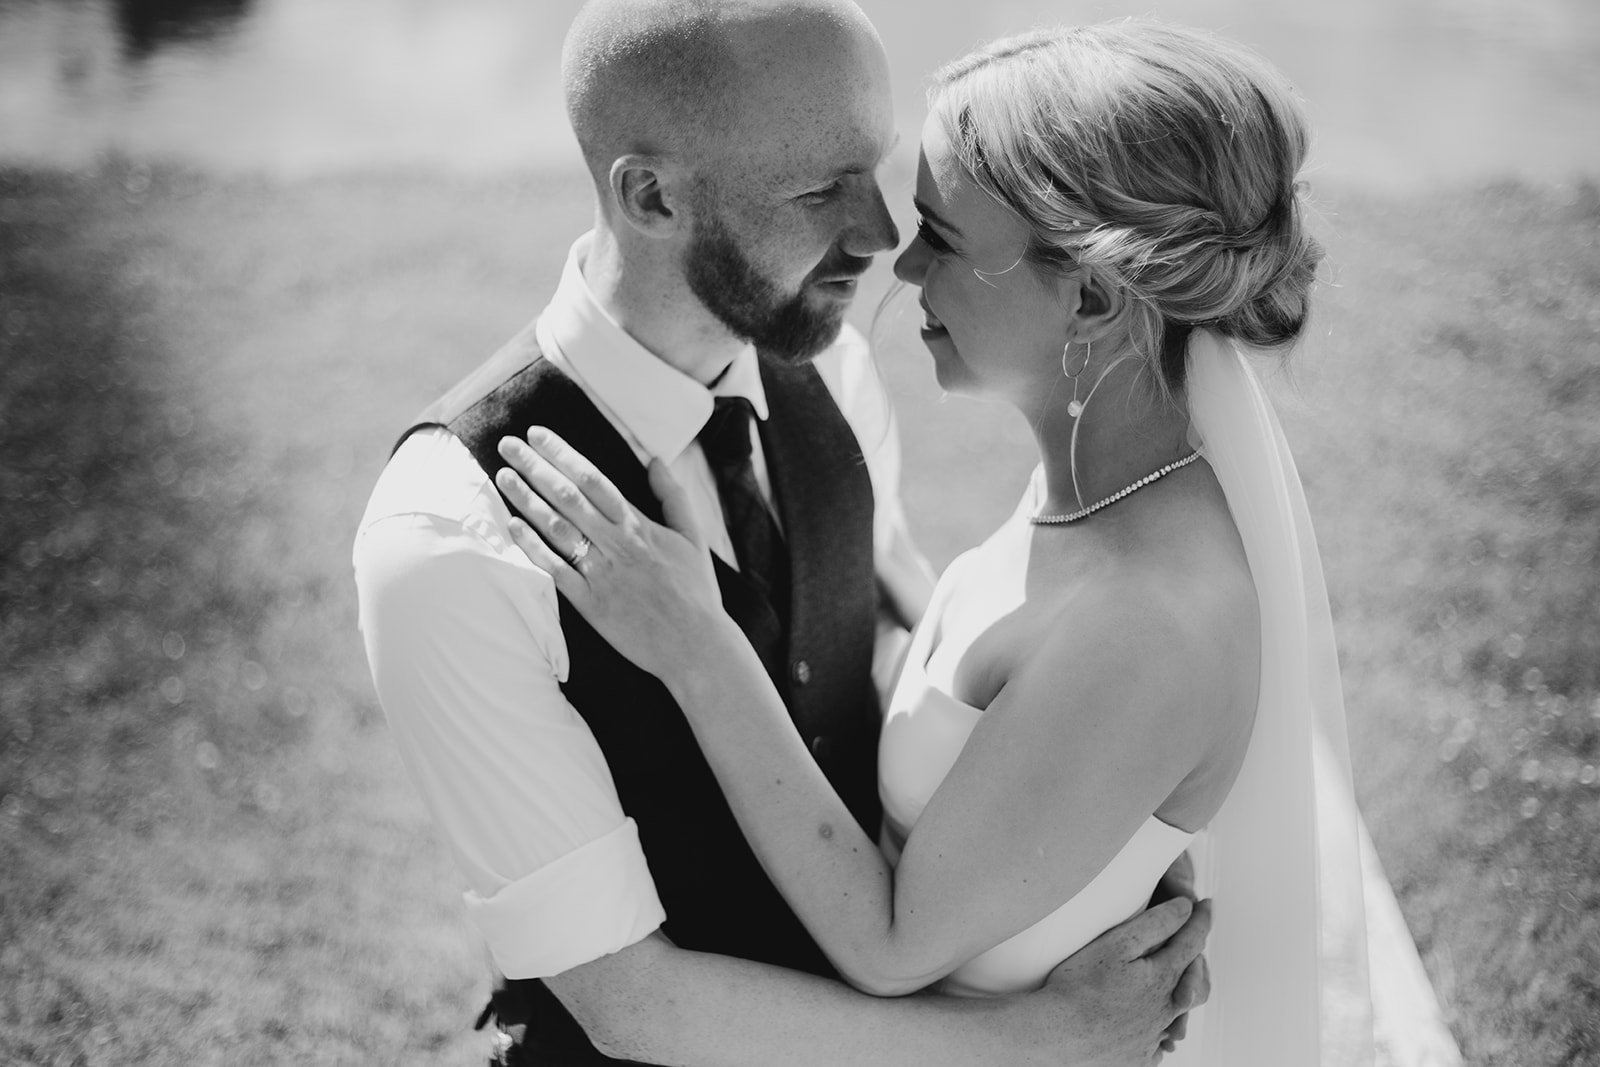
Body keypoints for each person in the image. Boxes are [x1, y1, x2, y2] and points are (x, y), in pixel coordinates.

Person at [495, 18, 1377, 1066]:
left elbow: (890, 942)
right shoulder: (1096, 492)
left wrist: (698, 642)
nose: (898, 266)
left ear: (1090, 294)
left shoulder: (1151, 617)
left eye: (944, 239)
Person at [353, 2, 1211, 1064]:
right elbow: (634, 1003)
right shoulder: (450, 535)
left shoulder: (834, 372)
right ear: (651, 195)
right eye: (818, 191)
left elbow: (890, 641)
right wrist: (1034, 1036)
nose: (883, 238)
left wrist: (1078, 847)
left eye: (873, 168)